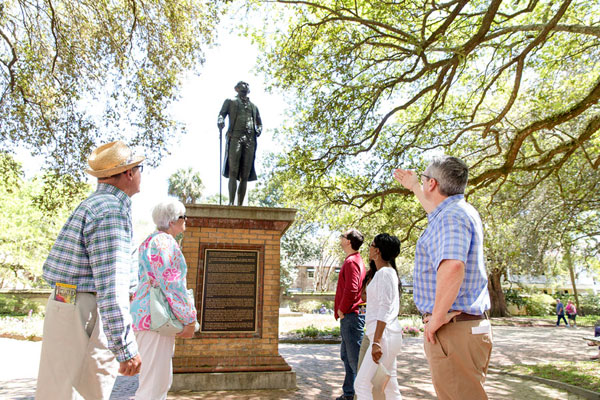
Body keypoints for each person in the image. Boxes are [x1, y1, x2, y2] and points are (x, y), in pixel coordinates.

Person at [36, 141, 144, 399]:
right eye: (140, 168)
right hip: (84, 311)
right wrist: (125, 347)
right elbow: (112, 285)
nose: (141, 174)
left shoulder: (96, 205)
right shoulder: (111, 211)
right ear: (128, 173)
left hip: (68, 303)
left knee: (58, 392)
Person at [394, 155, 492, 400]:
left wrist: (436, 318)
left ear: (433, 184)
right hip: (460, 327)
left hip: (452, 330)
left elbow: (452, 267)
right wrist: (415, 187)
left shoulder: (451, 217)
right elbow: (436, 214)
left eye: (425, 178)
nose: (423, 182)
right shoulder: (456, 212)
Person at [130, 199, 198, 400]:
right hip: (156, 319)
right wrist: (189, 319)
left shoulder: (149, 241)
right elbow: (173, 286)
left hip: (146, 316)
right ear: (172, 221)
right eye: (182, 217)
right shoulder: (165, 243)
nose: (185, 220)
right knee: (154, 385)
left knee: (153, 380)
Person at [354, 233, 404, 400]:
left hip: (384, 336)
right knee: (390, 386)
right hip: (388, 335)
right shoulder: (385, 273)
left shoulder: (385, 274)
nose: (369, 248)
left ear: (377, 251)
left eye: (371, 244)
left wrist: (376, 342)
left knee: (361, 384)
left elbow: (384, 309)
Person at [217, 81, 262, 206]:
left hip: (250, 140)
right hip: (235, 137)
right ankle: (231, 202)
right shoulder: (230, 101)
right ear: (236, 88)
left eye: (247, 84)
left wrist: (259, 129)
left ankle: (240, 205)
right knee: (233, 170)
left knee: (245, 174)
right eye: (243, 84)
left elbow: (259, 122)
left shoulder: (254, 107)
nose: (246, 86)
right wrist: (220, 121)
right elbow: (221, 114)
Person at [335, 229, 367, 400]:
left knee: (354, 359)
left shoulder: (352, 262)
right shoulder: (353, 260)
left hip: (351, 315)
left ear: (348, 241)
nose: (340, 238)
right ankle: (349, 393)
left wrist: (342, 309)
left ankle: (362, 394)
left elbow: (353, 288)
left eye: (342, 236)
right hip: (351, 315)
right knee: (347, 356)